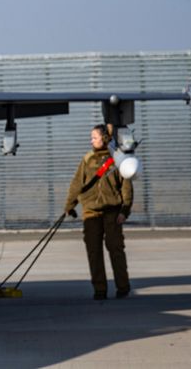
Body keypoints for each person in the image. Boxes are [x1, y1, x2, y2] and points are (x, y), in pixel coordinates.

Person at [64, 124, 133, 300]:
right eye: (91, 137)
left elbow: (126, 186)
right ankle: (100, 289)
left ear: (105, 138)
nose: (91, 140)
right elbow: (77, 183)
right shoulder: (87, 160)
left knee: (116, 249)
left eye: (94, 137)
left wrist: (124, 211)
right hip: (91, 212)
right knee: (94, 252)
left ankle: (123, 287)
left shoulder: (117, 160)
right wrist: (69, 206)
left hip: (112, 212)